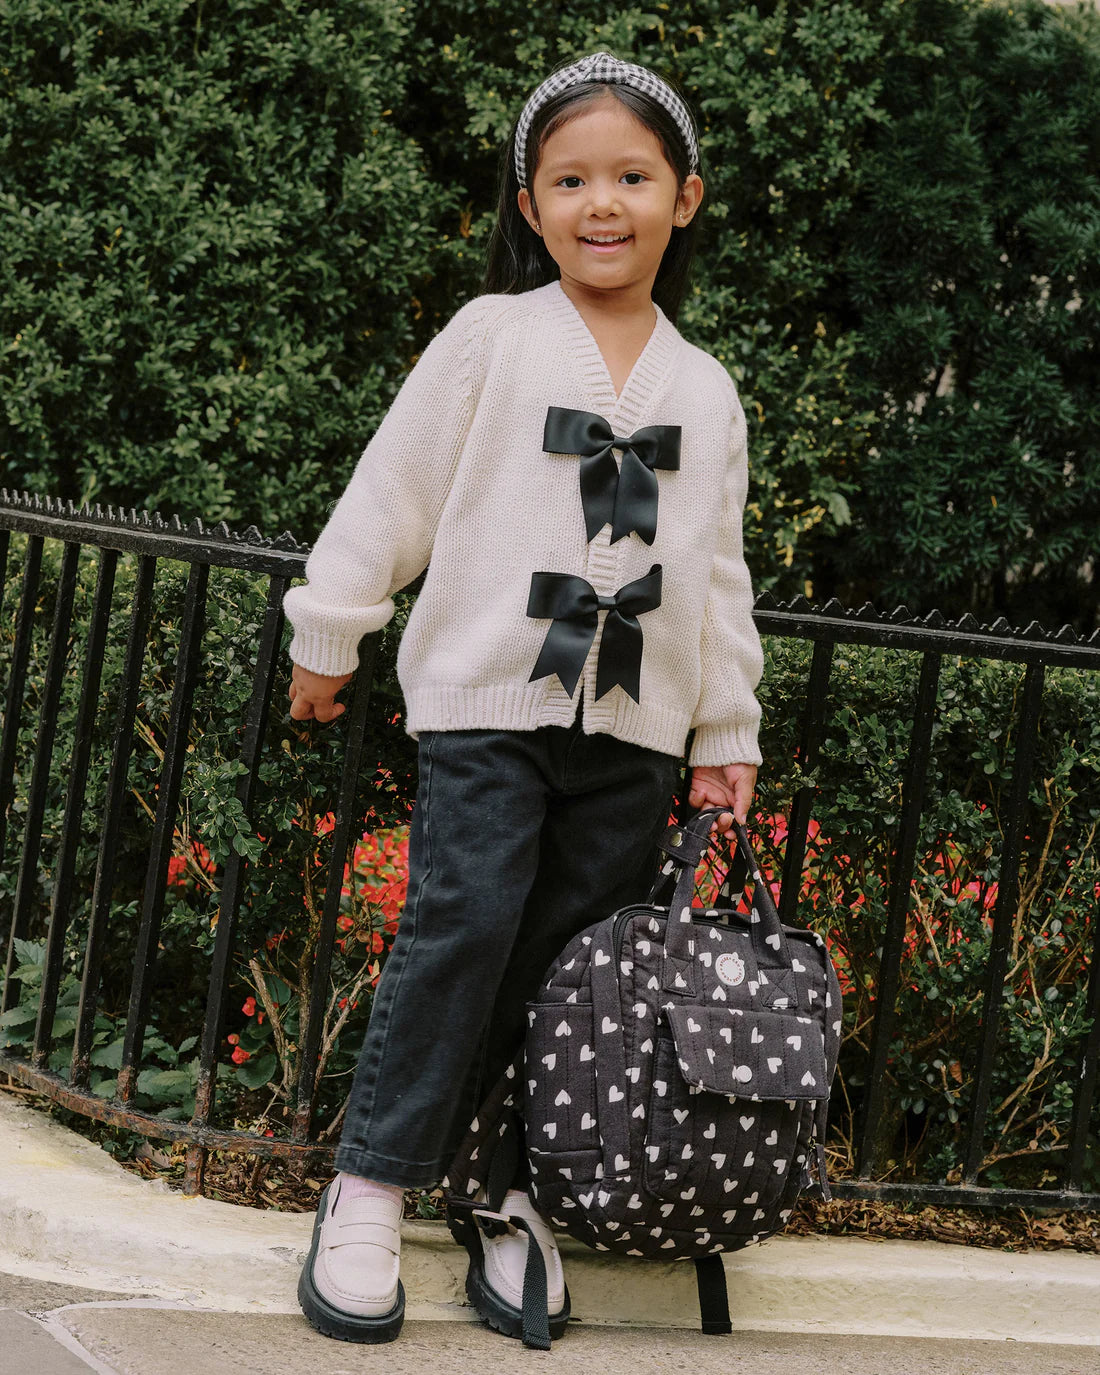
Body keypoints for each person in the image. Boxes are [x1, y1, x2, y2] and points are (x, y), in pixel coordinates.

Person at [282, 50, 764, 1346]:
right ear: (530, 204)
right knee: (464, 924)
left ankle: (506, 1196)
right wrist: (333, 626)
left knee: (570, 972)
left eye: (633, 178)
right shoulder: (491, 337)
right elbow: (396, 485)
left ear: (685, 198)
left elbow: (716, 574)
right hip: (489, 705)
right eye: (569, 181)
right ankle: (371, 1186)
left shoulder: (706, 388)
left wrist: (726, 730)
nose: (602, 204)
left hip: (634, 734)